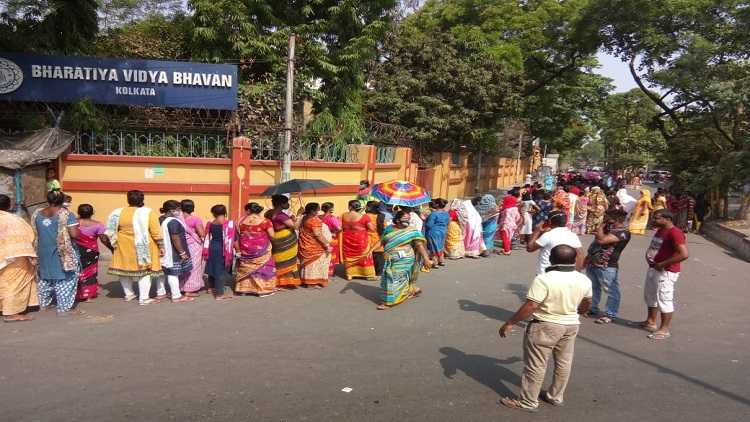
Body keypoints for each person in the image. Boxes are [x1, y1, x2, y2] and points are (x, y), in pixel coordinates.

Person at [499, 245, 592, 412]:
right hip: (571, 325)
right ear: (573, 260)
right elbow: (587, 302)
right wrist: (580, 312)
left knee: (536, 365)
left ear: (551, 259)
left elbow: (532, 305)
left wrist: (510, 322)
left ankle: (528, 402)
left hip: (546, 325)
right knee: (564, 363)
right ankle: (555, 396)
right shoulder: (584, 279)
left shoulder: (544, 279)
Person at [636, 209, 688, 340]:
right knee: (651, 296)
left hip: (666, 271)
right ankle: (650, 322)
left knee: (664, 299)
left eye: (657, 218)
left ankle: (664, 329)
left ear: (667, 219)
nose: (654, 220)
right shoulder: (660, 230)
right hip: (654, 268)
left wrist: (663, 264)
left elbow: (684, 254)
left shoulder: (675, 233)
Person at [106, 190, 164, 306]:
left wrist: (113, 245)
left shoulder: (117, 212)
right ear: (142, 199)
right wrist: (161, 245)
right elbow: (156, 231)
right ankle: (144, 298)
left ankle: (129, 294)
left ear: (128, 199)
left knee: (123, 270)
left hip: (123, 244)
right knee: (145, 271)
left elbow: (110, 230)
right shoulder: (148, 212)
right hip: (143, 245)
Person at [31, 190, 82, 315]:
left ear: (47, 199)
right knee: (66, 278)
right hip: (62, 252)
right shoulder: (66, 214)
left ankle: (44, 304)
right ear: (62, 200)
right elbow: (74, 234)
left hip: (42, 251)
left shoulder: (37, 213)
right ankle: (64, 308)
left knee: (44, 278)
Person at [378, 210, 433, 310]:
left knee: (394, 277)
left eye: (409, 219)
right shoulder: (389, 229)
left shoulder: (412, 230)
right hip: (389, 258)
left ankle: (390, 301)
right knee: (391, 277)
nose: (407, 221)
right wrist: (369, 251)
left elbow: (419, 245)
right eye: (405, 219)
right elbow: (381, 241)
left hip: (405, 258)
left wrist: (426, 259)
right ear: (397, 220)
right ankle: (411, 290)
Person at [585, 209, 631, 324]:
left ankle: (610, 314)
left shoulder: (623, 232)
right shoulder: (609, 228)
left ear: (617, 218)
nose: (605, 217)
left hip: (607, 265)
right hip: (593, 262)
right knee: (593, 287)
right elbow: (595, 245)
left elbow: (601, 240)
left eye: (609, 215)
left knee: (611, 290)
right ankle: (593, 308)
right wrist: (587, 259)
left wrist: (601, 226)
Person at [0, 194, 38, 322]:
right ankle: (10, 313)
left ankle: (3, 307)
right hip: (13, 255)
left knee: (3, 282)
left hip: (4, 256)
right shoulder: (15, 220)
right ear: (9, 205)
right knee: (13, 284)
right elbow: (28, 235)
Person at [157, 200, 194, 303]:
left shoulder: (161, 219)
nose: (180, 211)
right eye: (178, 209)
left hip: (163, 250)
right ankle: (176, 296)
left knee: (162, 272)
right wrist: (182, 252)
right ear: (172, 210)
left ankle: (161, 293)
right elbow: (175, 238)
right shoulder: (173, 221)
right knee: (173, 273)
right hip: (173, 251)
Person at [75, 204, 113, 302]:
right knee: (90, 272)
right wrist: (111, 248)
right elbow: (104, 239)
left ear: (78, 212)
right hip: (91, 252)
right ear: (92, 213)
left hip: (76, 250)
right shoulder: (98, 225)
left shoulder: (73, 223)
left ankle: (76, 294)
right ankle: (88, 295)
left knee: (77, 271)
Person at [527, 211, 583, 275]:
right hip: (566, 274)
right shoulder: (573, 235)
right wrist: (577, 273)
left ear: (550, 222)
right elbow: (580, 255)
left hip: (546, 274)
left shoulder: (547, 235)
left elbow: (530, 248)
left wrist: (537, 231)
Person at [265, 194, 301, 288]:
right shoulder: (282, 216)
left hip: (275, 238)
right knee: (288, 260)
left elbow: (275, 225)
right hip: (286, 241)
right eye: (286, 202)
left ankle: (278, 280)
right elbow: (295, 226)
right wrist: (299, 215)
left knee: (278, 259)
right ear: (281, 204)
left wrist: (290, 220)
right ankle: (285, 282)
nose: (288, 204)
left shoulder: (268, 213)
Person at [203, 204, 238, 300]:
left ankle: (211, 287)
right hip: (223, 250)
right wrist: (238, 251)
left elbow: (206, 236)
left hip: (212, 247)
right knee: (221, 271)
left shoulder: (211, 223)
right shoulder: (229, 224)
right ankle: (219, 294)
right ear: (225, 212)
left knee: (213, 267)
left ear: (213, 213)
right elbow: (234, 240)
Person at [341, 200, 377, 280]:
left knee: (349, 256)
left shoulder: (344, 215)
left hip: (347, 239)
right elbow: (371, 229)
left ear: (350, 207)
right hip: (360, 239)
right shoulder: (364, 217)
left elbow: (341, 227)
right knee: (364, 255)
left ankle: (350, 274)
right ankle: (368, 275)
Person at [298, 202, 332, 288]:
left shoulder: (304, 218)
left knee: (308, 264)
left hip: (305, 243)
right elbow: (318, 234)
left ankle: (306, 280)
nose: (319, 210)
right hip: (314, 245)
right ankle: (312, 282)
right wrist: (326, 245)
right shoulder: (314, 220)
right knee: (316, 262)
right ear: (313, 211)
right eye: (318, 209)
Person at [179, 199, 205, 297]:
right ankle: (189, 290)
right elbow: (202, 233)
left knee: (183, 266)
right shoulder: (195, 219)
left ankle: (181, 287)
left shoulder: (178, 219)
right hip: (193, 246)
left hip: (181, 246)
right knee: (194, 267)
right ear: (192, 208)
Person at [424, 198, 449, 266]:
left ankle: (435, 262)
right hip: (443, 231)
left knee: (433, 247)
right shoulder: (446, 213)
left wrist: (425, 219)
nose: (433, 204)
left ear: (437, 205)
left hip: (433, 232)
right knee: (440, 246)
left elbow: (429, 225)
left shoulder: (433, 214)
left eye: (435, 203)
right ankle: (441, 260)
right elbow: (447, 222)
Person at [321, 202, 342, 277]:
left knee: (323, 255)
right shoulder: (332, 218)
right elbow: (339, 229)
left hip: (321, 238)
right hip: (331, 238)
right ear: (331, 209)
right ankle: (329, 271)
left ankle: (322, 270)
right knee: (331, 255)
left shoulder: (319, 217)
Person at [365, 201, 386, 275]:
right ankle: (379, 272)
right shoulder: (382, 216)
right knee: (379, 257)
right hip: (379, 239)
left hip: (367, 239)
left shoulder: (366, 216)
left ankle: (370, 272)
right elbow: (385, 228)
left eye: (367, 206)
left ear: (369, 207)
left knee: (370, 257)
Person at [497, 192, 522, 256]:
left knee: (505, 237)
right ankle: (507, 248)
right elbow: (518, 217)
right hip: (513, 225)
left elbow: (505, 218)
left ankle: (507, 250)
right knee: (509, 237)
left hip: (505, 225)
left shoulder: (506, 209)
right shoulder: (515, 208)